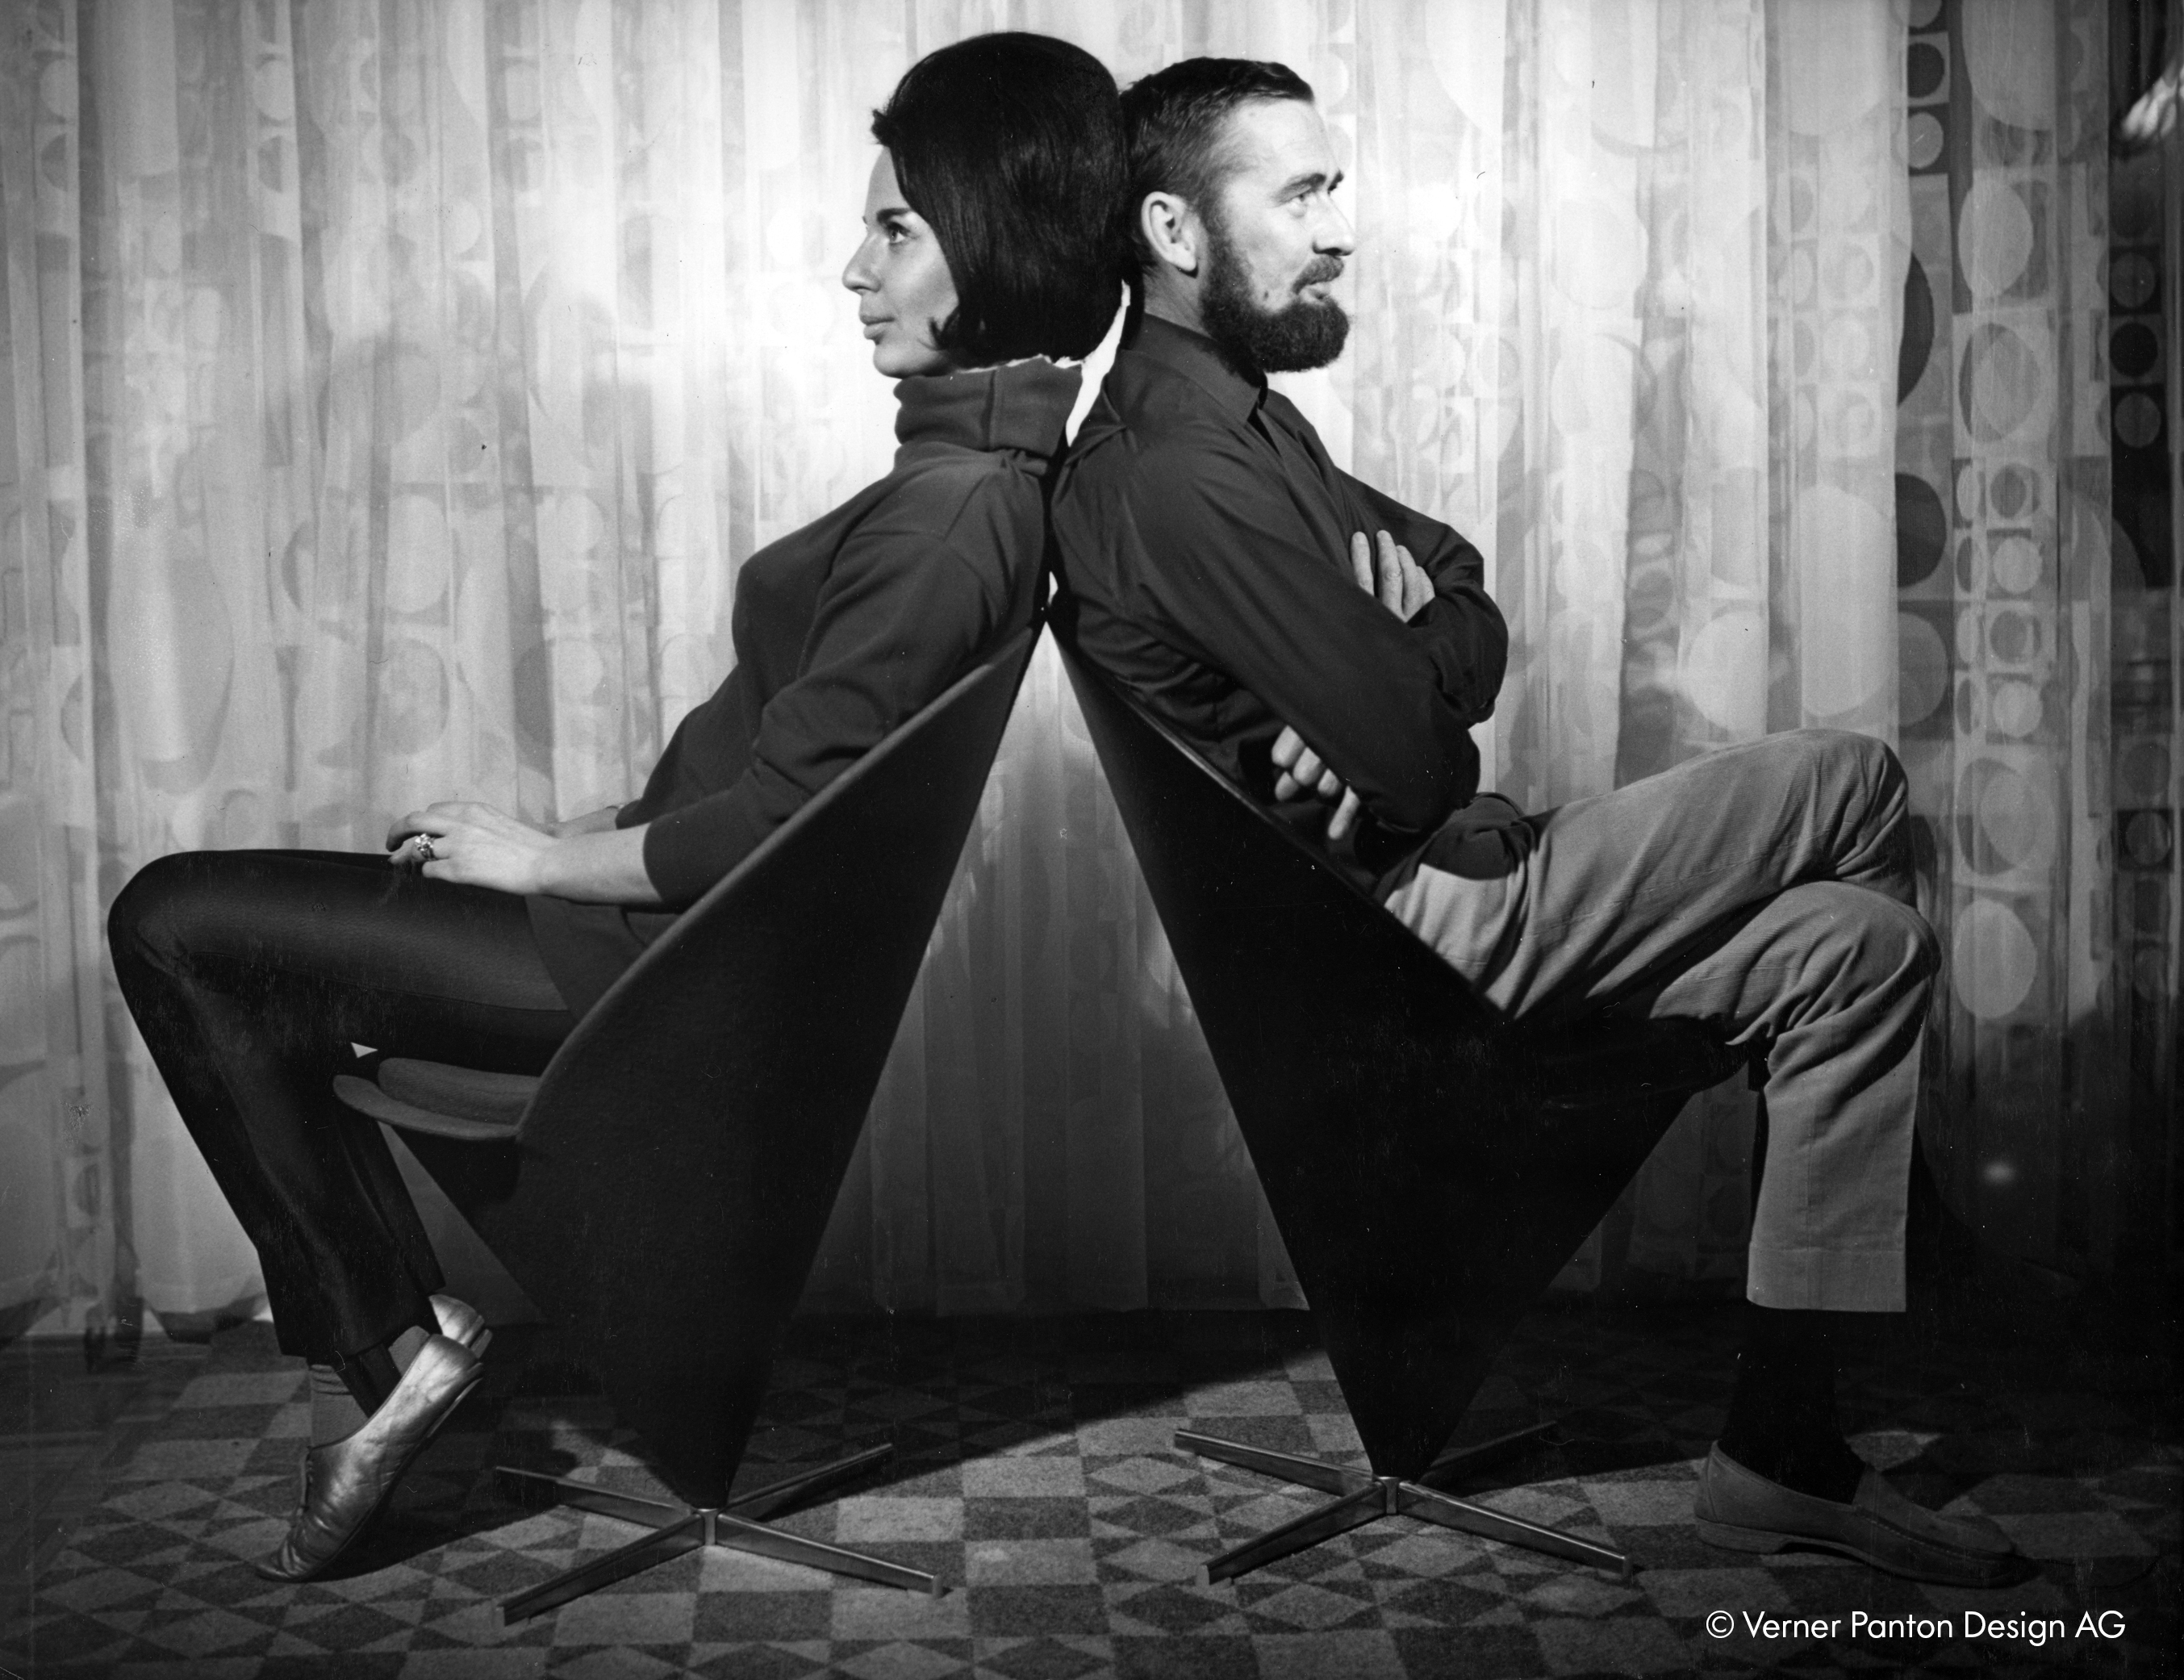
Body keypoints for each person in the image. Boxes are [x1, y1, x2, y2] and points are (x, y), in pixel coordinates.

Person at [106, 31, 1125, 1585]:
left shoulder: (957, 513)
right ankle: (393, 1337)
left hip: (655, 977)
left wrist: (541, 856)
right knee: (250, 952)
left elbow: (784, 818)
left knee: (176, 922)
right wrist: (551, 845)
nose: (852, 269)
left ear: (1000, 246)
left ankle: (387, 1346)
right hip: (650, 942)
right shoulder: (972, 480)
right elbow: (778, 774)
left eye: (897, 230)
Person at [1049, 56, 2020, 1589]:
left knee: (1859, 943)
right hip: (1408, 944)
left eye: (1331, 193)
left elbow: (1462, 585)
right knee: (1858, 783)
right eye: (1298, 194)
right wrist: (1393, 692)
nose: (1333, 228)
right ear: (1175, 230)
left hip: (1433, 889)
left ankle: (1780, 1449)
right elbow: (1424, 763)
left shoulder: (1245, 428)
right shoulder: (1175, 472)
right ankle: (1934, 1280)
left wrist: (1405, 656)